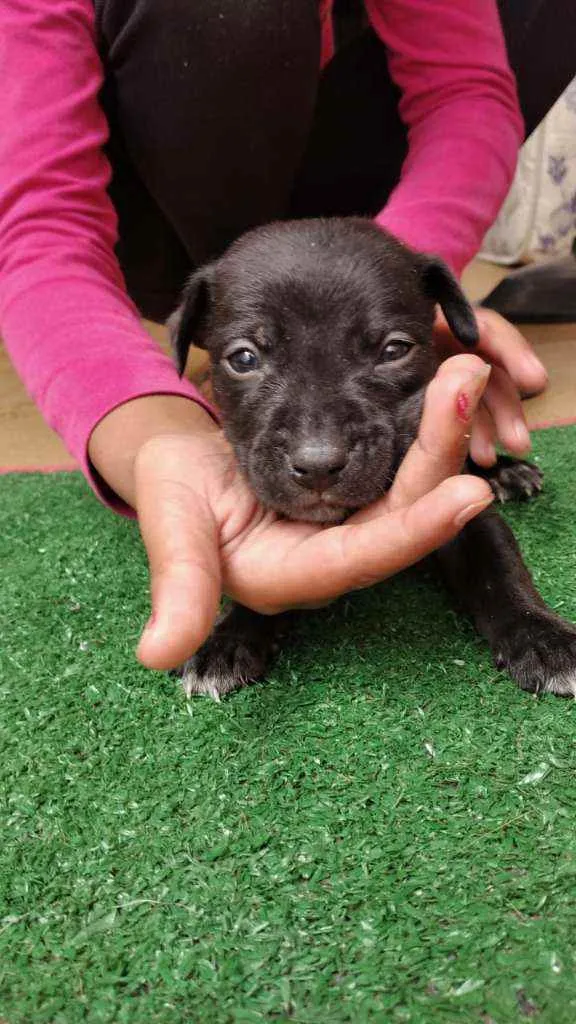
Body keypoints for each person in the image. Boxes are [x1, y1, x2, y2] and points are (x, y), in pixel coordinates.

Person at [0, 1, 568, 673]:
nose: (320, 449)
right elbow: (42, 227)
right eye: (244, 358)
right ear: (195, 350)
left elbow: (466, 91)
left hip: (359, 172)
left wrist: (387, 282)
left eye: (390, 349)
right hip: (167, 179)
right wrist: (151, 428)